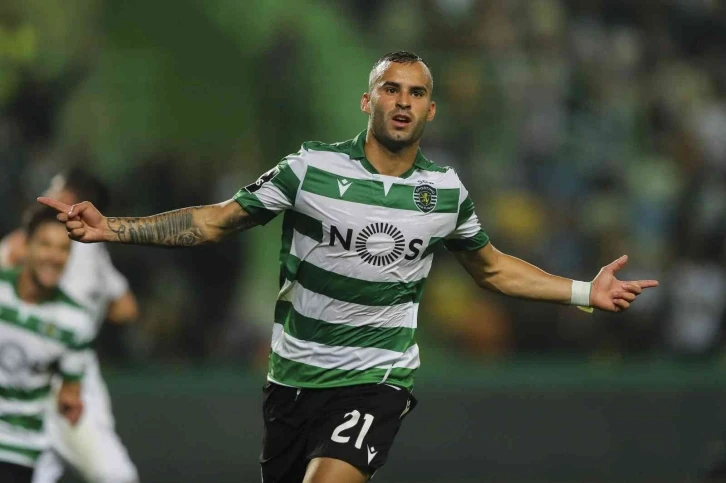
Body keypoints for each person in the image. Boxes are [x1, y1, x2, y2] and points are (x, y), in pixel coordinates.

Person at [38, 51, 659, 483]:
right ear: (368, 100)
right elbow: (218, 220)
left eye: (417, 93)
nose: (403, 101)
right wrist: (111, 228)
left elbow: (491, 269)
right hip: (292, 379)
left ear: (430, 111)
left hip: (376, 377)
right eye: (391, 88)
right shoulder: (309, 169)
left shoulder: (445, 192)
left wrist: (584, 290)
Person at [1, 168, 140, 483]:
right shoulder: (93, 248)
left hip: (62, 374)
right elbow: (125, 308)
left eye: (55, 188)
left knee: (114, 475)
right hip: (57, 370)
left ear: (67, 197)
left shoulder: (40, 239)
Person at [0, 206, 92, 483]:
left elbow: (70, 391)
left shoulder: (75, 321)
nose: (54, 257)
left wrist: (70, 403)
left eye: (63, 249)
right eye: (45, 245)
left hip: (19, 447)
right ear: (26, 246)